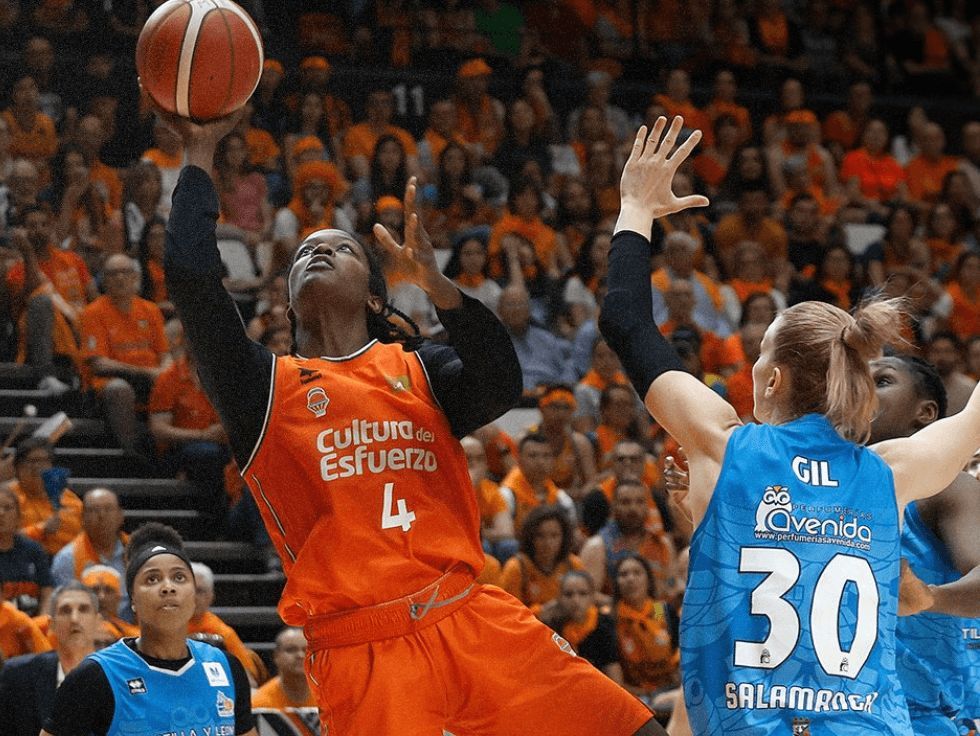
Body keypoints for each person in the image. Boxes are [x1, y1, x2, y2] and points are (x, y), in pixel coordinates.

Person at [158, 109, 662, 735]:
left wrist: (439, 286)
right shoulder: (261, 390)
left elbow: (500, 384)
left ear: (375, 295)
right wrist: (199, 153)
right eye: (306, 252)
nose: (319, 251)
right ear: (287, 304)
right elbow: (192, 280)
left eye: (340, 248)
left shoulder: (420, 367)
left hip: (469, 615)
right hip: (363, 646)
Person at [599, 116, 980, 735]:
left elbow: (626, 322)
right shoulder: (892, 473)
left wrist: (636, 208)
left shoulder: (723, 445)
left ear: (772, 380)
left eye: (758, 355)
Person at [40, 523, 256, 736]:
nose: (168, 587)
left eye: (179, 577)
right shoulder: (96, 675)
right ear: (132, 599)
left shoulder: (226, 666)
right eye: (152, 579)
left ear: (194, 596)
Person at [867, 356, 980, 735]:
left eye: (882, 381)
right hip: (846, 713)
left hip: (932, 719)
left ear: (925, 413)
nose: (862, 389)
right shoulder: (823, 487)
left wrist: (929, 598)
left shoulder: (946, 487)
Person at [0, 581, 99, 736]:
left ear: (98, 622)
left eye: (83, 610)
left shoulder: (121, 675)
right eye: (65, 611)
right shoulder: (18, 675)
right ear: (51, 625)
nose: (74, 619)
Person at [612, 554, 680, 708]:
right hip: (633, 695)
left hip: (669, 689)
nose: (630, 579)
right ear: (616, 582)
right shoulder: (611, 618)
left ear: (648, 579)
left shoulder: (660, 610)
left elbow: (675, 643)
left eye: (637, 573)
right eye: (623, 574)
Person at [497, 504, 584, 613]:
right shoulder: (516, 568)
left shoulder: (573, 565)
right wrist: (540, 612)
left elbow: (586, 605)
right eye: (540, 535)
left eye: (554, 535)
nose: (548, 543)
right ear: (530, 537)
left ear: (564, 537)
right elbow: (508, 612)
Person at [252, 627, 318, 736]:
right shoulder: (258, 704)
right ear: (276, 656)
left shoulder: (330, 700)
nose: (300, 655)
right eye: (291, 650)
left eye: (306, 650)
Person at [0, 484, 53, 616]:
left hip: (32, 623)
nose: (1, 513)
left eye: (7, 508)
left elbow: (47, 590)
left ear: (18, 517)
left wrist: (42, 621)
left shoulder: (34, 550)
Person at [80, 565, 137, 640]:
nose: (101, 597)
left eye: (108, 590)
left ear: (118, 597)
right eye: (94, 590)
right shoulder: (68, 634)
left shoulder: (135, 637)